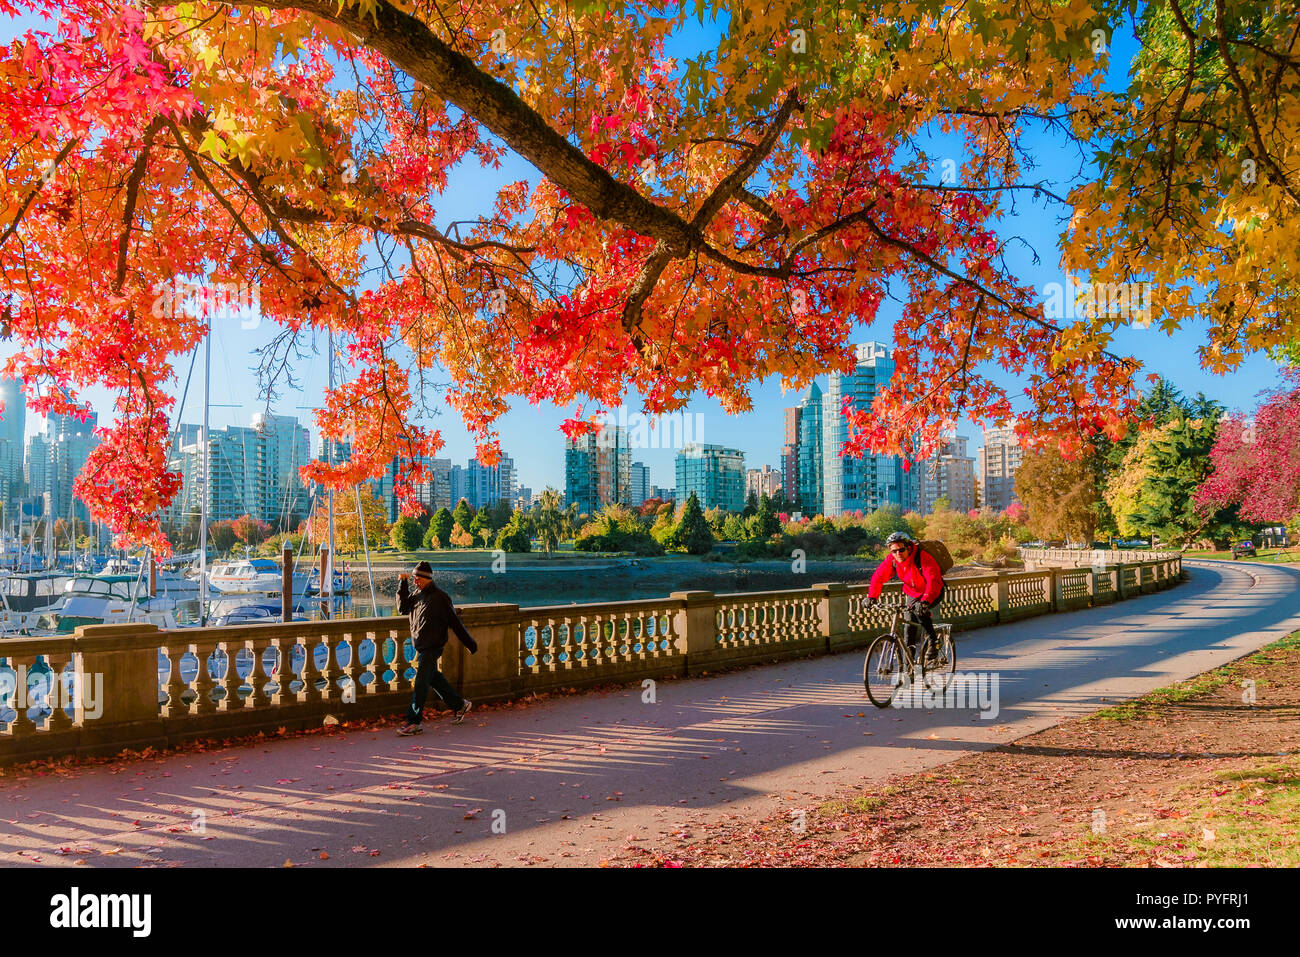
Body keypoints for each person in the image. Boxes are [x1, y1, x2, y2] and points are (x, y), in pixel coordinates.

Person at [395, 561, 478, 735]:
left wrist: (470, 643)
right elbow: (402, 608)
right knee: (433, 678)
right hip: (421, 646)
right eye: (413, 578)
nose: (414, 581)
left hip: (433, 647)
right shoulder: (417, 594)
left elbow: (456, 623)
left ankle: (414, 722)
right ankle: (460, 705)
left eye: (417, 578)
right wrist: (402, 585)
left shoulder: (441, 597)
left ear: (427, 578)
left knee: (420, 684)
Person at [867, 531, 945, 658]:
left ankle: (934, 640)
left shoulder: (922, 557)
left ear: (908, 547)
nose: (898, 553)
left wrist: (925, 600)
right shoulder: (892, 560)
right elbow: (878, 577)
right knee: (908, 628)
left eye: (901, 549)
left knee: (920, 612)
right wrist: (872, 597)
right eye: (894, 551)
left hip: (933, 591)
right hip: (913, 593)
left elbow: (933, 580)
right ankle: (910, 665)